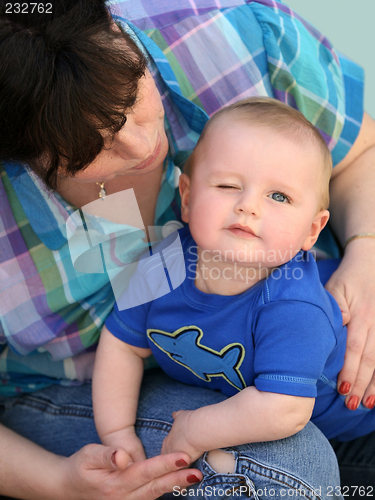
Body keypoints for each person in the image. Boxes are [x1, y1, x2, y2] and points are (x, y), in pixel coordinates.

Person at [1, 0, 375, 497]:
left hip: (310, 399)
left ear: (114, 25)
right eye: (93, 150)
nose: (143, 148)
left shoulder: (292, 298)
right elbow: (124, 340)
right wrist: (65, 478)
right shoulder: (169, 263)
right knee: (283, 468)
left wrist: (367, 250)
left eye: (130, 98)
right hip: (68, 392)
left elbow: (360, 151)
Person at [94, 98, 375, 472]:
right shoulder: (164, 267)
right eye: (228, 185)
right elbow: (122, 345)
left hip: (358, 424)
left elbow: (284, 409)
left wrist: (197, 429)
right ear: (188, 198)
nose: (248, 206)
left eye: (279, 196)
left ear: (312, 230)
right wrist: (117, 432)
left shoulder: (295, 306)